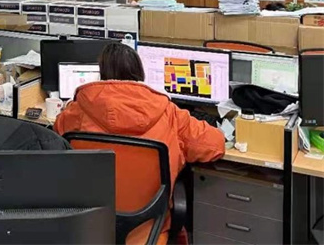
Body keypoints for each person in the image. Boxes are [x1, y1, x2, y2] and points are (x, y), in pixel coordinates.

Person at [55, 42, 225, 242]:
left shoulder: (79, 111)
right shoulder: (170, 113)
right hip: (147, 230)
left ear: (102, 74)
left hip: (90, 227)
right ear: (140, 73)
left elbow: (58, 130)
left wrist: (71, 106)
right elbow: (215, 145)